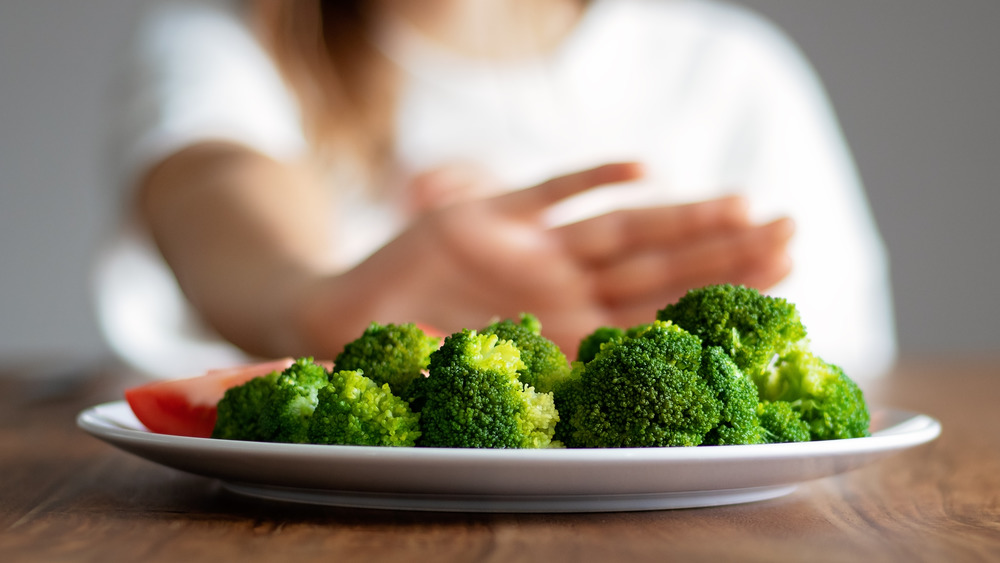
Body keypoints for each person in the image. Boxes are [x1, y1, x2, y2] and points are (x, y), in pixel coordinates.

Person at [95, 0, 896, 380]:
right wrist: (306, 299)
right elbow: (211, 178)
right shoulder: (230, 36)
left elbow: (840, 357)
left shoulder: (728, 64)